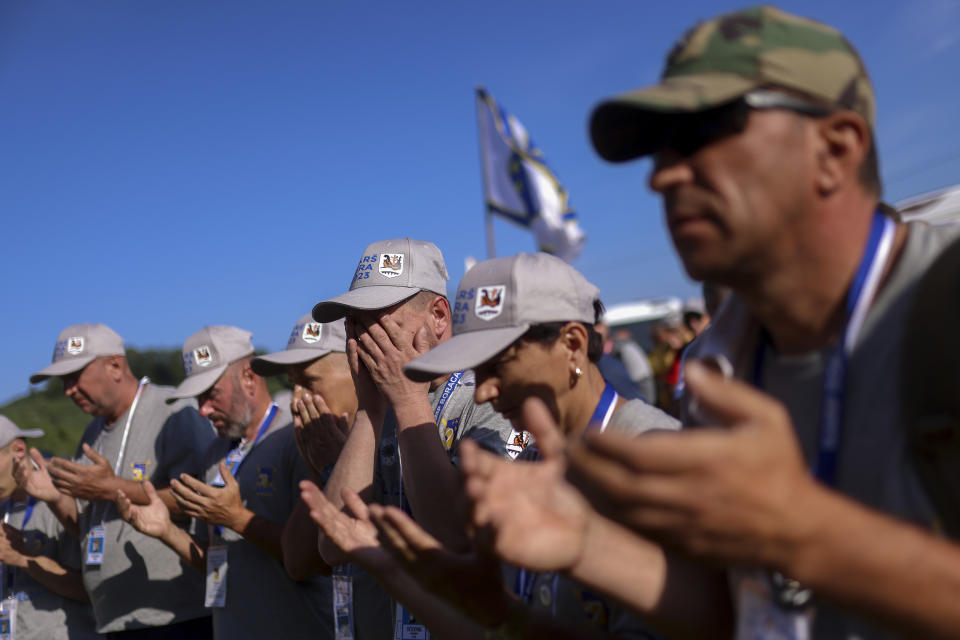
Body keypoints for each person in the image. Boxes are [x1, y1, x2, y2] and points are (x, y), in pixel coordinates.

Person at [465, 5, 960, 639]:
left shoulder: (942, 309)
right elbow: (737, 617)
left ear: (835, 150)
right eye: (661, 149)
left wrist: (808, 534)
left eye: (707, 134)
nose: (664, 176)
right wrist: (586, 545)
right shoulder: (717, 364)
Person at [393, 251, 679, 637]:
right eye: (476, 371)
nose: (483, 392)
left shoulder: (654, 460)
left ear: (573, 346)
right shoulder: (532, 463)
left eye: (500, 364)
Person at [308, 237, 517, 639]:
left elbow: (458, 538)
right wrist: (371, 410)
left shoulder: (490, 397)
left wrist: (406, 400)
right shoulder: (380, 405)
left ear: (438, 316)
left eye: (377, 318)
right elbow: (333, 546)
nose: (361, 336)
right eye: (353, 320)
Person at [117, 325, 334, 639]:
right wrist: (166, 530)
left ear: (248, 376)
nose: (203, 409)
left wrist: (237, 518)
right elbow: (220, 564)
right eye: (198, 397)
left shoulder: (299, 437)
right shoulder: (213, 454)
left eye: (212, 394)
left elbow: (315, 557)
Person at [23, 323, 213, 638]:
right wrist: (53, 497)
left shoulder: (172, 410)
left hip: (175, 617)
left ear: (115, 365)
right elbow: (85, 528)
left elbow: (198, 500)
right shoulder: (92, 432)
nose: (68, 389)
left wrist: (112, 487)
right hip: (115, 620)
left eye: (75, 376)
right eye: (63, 381)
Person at [248, 314, 358, 580]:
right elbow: (299, 563)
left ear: (357, 370)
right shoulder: (321, 449)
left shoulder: (398, 438)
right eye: (292, 384)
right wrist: (321, 474)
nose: (296, 400)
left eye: (308, 382)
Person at [0, 415, 98, 640]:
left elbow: (92, 589)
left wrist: (22, 557)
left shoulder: (64, 497)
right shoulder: (3, 504)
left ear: (18, 449)